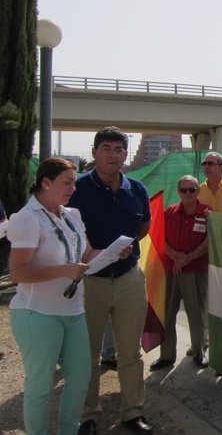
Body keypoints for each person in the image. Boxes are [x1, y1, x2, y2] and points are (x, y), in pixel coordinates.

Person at [7, 157, 127, 435]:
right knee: (40, 386)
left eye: (74, 182)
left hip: (73, 312)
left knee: (80, 379)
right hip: (37, 313)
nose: (73, 188)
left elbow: (85, 255)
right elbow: (18, 272)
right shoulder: (26, 218)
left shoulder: (72, 215)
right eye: (67, 182)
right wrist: (65, 270)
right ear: (46, 182)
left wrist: (111, 253)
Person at [69, 127, 153, 435]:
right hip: (90, 282)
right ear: (94, 153)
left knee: (130, 352)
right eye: (106, 148)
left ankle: (133, 412)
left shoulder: (137, 189)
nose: (112, 155)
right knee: (87, 354)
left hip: (130, 279)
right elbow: (68, 233)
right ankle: (88, 415)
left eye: (119, 149)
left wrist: (123, 249)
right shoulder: (77, 189)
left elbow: (143, 226)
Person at [150, 176, 211, 372]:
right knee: (168, 313)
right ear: (179, 192)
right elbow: (160, 236)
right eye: (184, 190)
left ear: (197, 191)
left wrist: (188, 257)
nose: (188, 194)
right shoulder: (170, 212)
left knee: (197, 313)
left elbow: (209, 240)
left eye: (192, 190)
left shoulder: (207, 213)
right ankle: (166, 355)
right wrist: (176, 257)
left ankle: (198, 351)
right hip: (172, 269)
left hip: (195, 270)